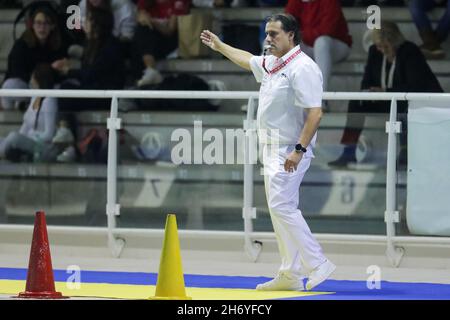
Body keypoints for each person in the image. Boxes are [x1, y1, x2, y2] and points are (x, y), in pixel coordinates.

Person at [200, 13, 336, 291]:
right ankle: (289, 274)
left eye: (274, 34)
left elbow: (315, 113)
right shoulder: (274, 63)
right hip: (271, 147)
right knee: (279, 210)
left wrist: (299, 150)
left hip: (290, 149)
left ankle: (318, 262)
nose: (268, 39)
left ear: (291, 35)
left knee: (281, 206)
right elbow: (247, 59)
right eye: (267, 33)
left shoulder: (303, 67)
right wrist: (220, 46)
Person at [328, 21, 443, 167]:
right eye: (378, 45)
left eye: (385, 45)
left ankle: (405, 152)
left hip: (414, 100)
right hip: (386, 97)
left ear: (395, 42)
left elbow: (415, 86)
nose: (381, 49)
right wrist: (368, 92)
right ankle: (348, 151)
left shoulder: (409, 51)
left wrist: (386, 92)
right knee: (356, 102)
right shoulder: (374, 51)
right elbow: (366, 81)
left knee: (402, 103)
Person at [52, 7, 126, 110]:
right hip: (93, 90)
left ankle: (66, 124)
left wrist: (68, 71)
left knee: (66, 90)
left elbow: (92, 74)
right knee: (59, 87)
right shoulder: (91, 44)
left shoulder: (110, 46)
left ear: (97, 24)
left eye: (87, 19)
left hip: (105, 95)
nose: (83, 22)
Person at [1, 5, 66, 110]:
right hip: (26, 86)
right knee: (9, 85)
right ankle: (25, 103)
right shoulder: (21, 45)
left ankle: (25, 104)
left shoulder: (58, 46)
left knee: (64, 86)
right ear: (32, 25)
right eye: (38, 23)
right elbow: (16, 71)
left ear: (52, 26)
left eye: (46, 23)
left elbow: (61, 75)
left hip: (47, 89)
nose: (42, 27)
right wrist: (39, 75)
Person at [285, 0, 352, 93]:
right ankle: (269, 99)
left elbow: (326, 30)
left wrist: (300, 35)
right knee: (279, 43)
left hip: (336, 46)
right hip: (308, 46)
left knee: (321, 42)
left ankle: (320, 99)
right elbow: (285, 25)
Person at [0, 64, 58, 162]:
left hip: (42, 146)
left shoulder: (49, 101)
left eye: (32, 78)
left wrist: (30, 136)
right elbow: (26, 126)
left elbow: (49, 134)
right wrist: (21, 138)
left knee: (13, 137)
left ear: (39, 80)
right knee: (8, 138)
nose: (30, 81)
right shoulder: (34, 97)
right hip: (28, 141)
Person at [130, 0, 191, 87]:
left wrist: (152, 21)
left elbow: (169, 30)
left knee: (141, 35)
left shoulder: (178, 2)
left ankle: (144, 77)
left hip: (169, 40)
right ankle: (149, 73)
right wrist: (143, 18)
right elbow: (140, 16)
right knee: (140, 32)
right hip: (149, 41)